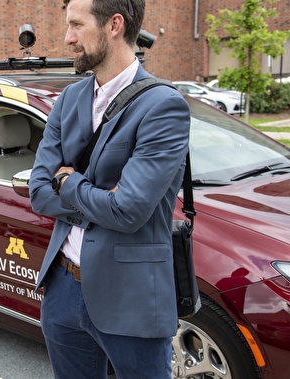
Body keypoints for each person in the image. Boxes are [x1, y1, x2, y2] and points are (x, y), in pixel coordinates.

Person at [29, 0, 191, 378]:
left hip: (130, 297)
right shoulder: (69, 99)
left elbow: (129, 211)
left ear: (114, 25)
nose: (68, 38)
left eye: (77, 26)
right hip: (63, 286)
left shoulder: (162, 106)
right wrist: (103, 199)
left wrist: (68, 181)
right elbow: (39, 190)